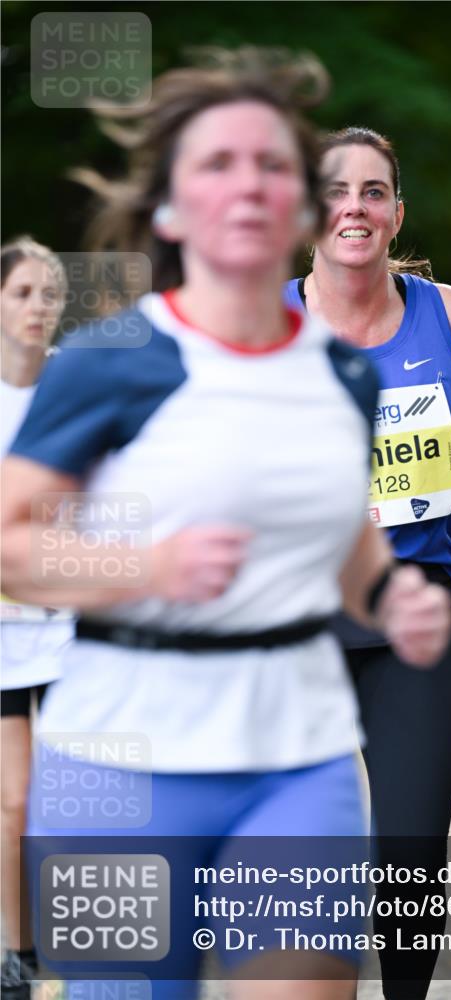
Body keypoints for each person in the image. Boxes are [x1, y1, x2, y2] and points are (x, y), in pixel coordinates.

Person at [0, 53, 451, 1000]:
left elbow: (346, 539)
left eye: (271, 164)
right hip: (118, 766)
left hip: (296, 760)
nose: (247, 182)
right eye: (216, 164)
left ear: (300, 209)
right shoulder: (108, 362)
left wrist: (390, 593)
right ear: (170, 210)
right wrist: (147, 564)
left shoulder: (344, 373)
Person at [285, 126, 451, 1000]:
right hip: (296, 622)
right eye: (334, 190)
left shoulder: (447, 312)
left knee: (413, 856)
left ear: (394, 213)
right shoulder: (261, 325)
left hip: (414, 616)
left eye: (372, 191)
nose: (353, 206)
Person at [0, 237, 72, 1000]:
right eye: (22, 292)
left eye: (49, 294)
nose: (37, 307)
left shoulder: (72, 389)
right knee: (14, 800)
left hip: (72, 634)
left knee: (83, 798)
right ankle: (18, 957)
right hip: (2, 641)